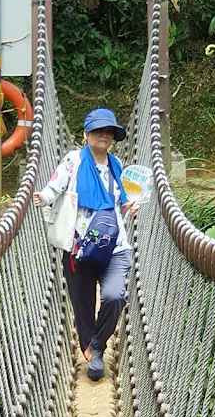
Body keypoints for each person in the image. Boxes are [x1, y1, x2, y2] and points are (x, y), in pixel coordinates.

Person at [34, 108, 139, 380]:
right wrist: (41, 197)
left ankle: (96, 347)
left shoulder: (117, 167)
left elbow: (119, 205)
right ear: (86, 134)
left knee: (114, 296)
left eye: (109, 131)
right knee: (82, 305)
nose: (103, 135)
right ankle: (90, 348)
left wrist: (129, 208)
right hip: (79, 246)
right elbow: (54, 187)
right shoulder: (73, 161)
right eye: (97, 130)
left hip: (115, 247)